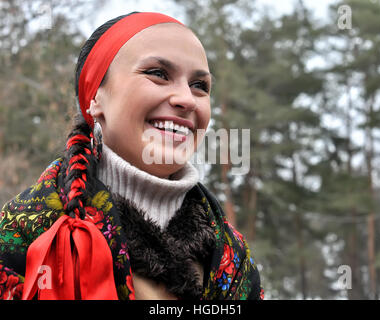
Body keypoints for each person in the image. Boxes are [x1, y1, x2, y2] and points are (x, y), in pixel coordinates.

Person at [0, 11, 263, 300]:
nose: (187, 99)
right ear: (95, 98)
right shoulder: (24, 234)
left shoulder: (233, 258)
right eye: (158, 74)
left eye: (199, 86)